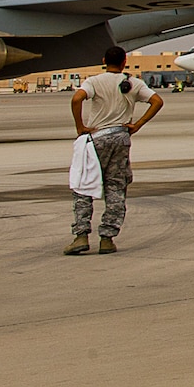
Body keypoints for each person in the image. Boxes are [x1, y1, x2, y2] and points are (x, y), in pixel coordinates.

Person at [65, 46, 162, 255]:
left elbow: (76, 99)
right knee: (116, 187)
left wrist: (80, 127)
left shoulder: (94, 82)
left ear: (103, 60)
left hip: (97, 140)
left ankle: (81, 235)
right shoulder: (133, 83)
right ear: (124, 61)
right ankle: (107, 238)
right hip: (121, 138)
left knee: (84, 185)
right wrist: (138, 124)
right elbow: (157, 101)